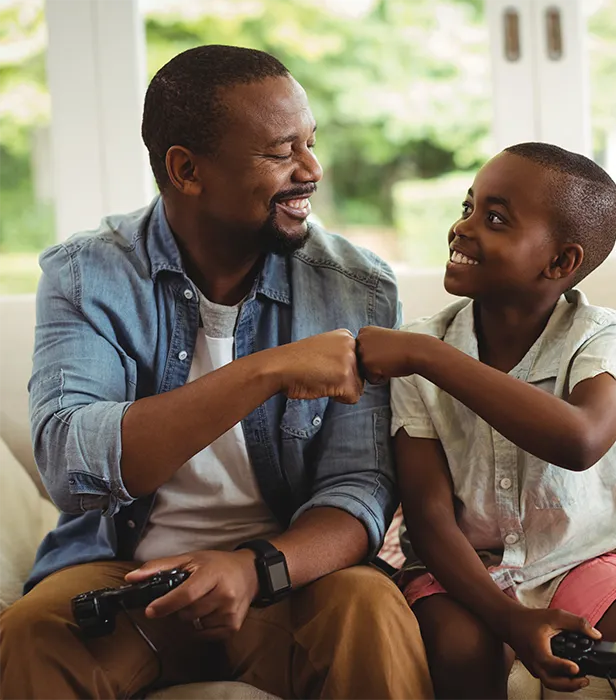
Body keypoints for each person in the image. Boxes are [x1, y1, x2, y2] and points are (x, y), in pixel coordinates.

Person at [0, 45, 433, 700]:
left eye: (310, 143)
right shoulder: (88, 275)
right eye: (280, 152)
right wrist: (265, 371)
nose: (311, 170)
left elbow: (360, 487)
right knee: (35, 631)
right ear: (186, 170)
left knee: (369, 609)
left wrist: (254, 570)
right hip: (123, 580)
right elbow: (71, 464)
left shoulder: (354, 286)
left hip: (290, 580)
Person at [356, 142, 616, 700]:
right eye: (468, 207)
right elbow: (428, 517)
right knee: (462, 649)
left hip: (577, 558)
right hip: (459, 570)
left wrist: (431, 358)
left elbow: (582, 439)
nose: (462, 228)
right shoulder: (420, 344)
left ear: (561, 263)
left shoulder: (601, 334)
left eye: (493, 219)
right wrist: (508, 619)